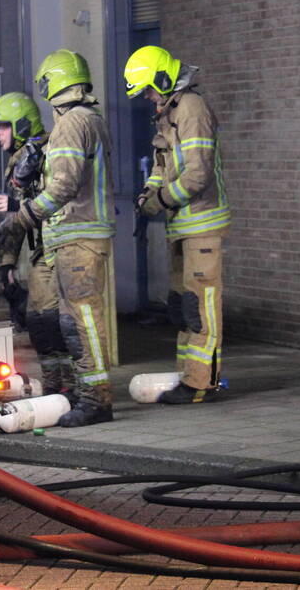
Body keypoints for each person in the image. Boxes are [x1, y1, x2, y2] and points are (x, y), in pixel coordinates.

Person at [3, 49, 116, 427]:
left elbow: (64, 185)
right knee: (77, 321)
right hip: (82, 235)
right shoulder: (91, 119)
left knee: (80, 322)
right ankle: (89, 395)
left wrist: (25, 214)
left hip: (77, 235)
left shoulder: (71, 123)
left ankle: (96, 400)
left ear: (53, 82)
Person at [125, 45, 231, 404]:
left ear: (162, 78)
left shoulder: (191, 109)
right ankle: (188, 377)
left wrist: (159, 201)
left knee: (200, 308)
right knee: (182, 308)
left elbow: (198, 174)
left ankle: (201, 384)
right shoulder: (168, 112)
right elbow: (163, 167)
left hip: (201, 224)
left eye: (148, 90)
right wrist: (148, 193)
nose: (148, 98)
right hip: (181, 226)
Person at [0, 92, 75, 397]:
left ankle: (72, 385)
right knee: (38, 322)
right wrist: (8, 263)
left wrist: (16, 205)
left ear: (21, 125)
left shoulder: (47, 154)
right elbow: (15, 220)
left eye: (3, 126)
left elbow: (54, 199)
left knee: (54, 322)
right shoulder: (19, 161)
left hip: (58, 247)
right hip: (39, 252)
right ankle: (54, 386)